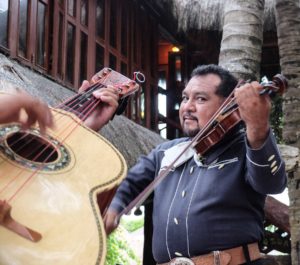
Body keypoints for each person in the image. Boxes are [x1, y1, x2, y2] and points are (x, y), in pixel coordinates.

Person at [99, 64, 287, 265]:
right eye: (185, 98)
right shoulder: (165, 152)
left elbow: (272, 184)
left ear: (229, 105)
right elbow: (130, 183)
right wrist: (114, 207)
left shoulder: (246, 147)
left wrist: (258, 129)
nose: (187, 107)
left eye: (201, 99)